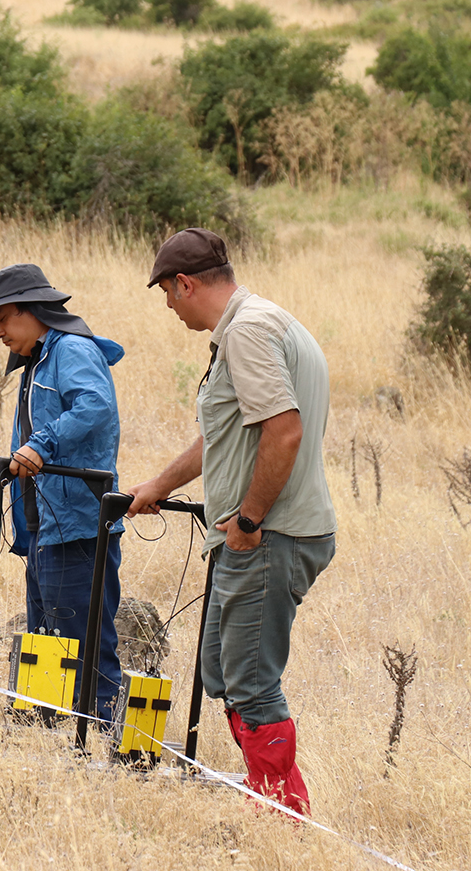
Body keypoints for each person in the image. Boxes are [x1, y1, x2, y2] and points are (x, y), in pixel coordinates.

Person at [127, 228, 336, 816]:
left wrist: (247, 519)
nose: (168, 305)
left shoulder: (245, 332)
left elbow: (284, 428)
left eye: (167, 293)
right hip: (270, 534)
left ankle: (281, 818)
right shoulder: (268, 320)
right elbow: (224, 435)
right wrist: (159, 486)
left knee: (248, 680)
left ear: (185, 283)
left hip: (268, 537)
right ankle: (268, 797)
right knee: (222, 669)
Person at [0, 263, 126, 721]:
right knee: (47, 643)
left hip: (78, 526)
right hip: (45, 529)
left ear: (33, 309)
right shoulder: (37, 358)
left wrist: (41, 444)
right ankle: (47, 729)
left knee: (84, 642)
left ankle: (99, 735)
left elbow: (94, 406)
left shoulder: (72, 350)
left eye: (2, 318)